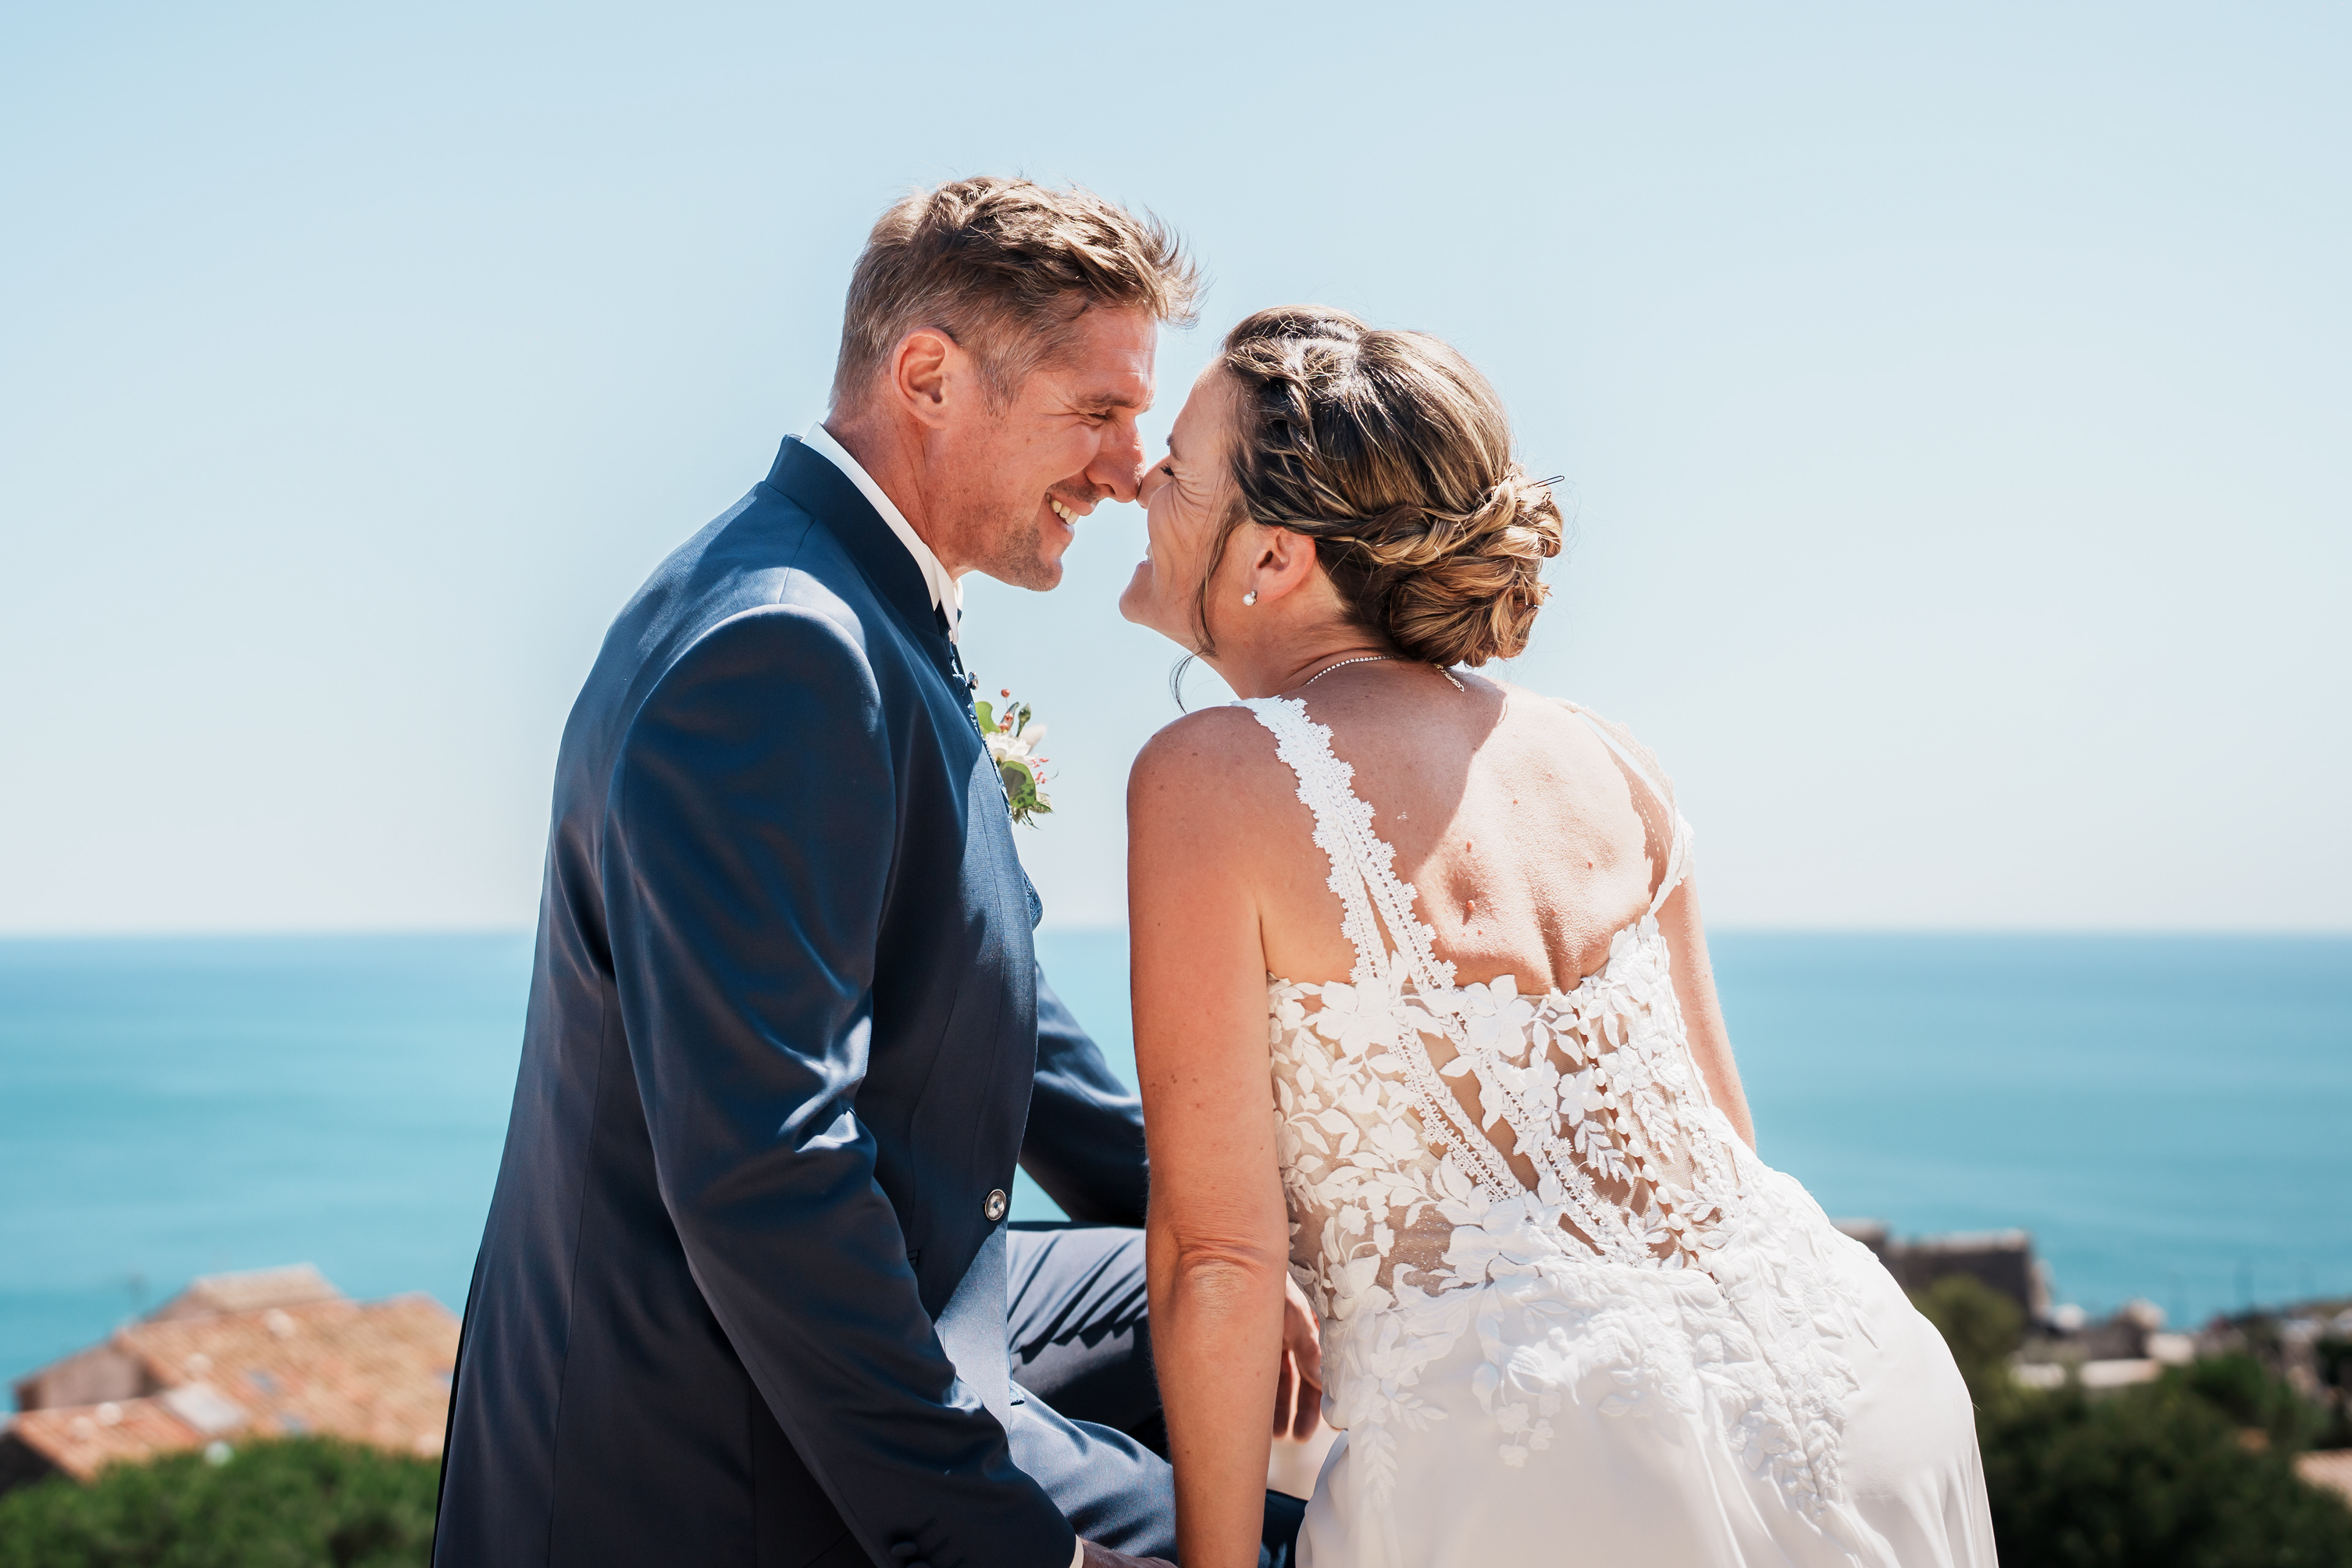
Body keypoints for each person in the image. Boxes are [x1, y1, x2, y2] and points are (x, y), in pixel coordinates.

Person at [434, 179, 1311, 1568]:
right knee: (1303, 1549)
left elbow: (970, 1010)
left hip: (920, 1293)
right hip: (712, 1451)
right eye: (1097, 412)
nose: (1129, 468)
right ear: (929, 376)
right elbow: (767, 1176)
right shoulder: (780, 652)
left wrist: (1222, 1226)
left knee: (1235, 1288)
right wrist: (1015, 1550)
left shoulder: (848, 596)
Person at [1120, 305, 1999, 1567]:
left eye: (1178, 467)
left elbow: (1217, 1255)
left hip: (1539, 1468)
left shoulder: (1211, 777)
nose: (1139, 478)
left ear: (1272, 558)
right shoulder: (1607, 753)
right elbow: (1720, 1136)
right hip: (1853, 1378)